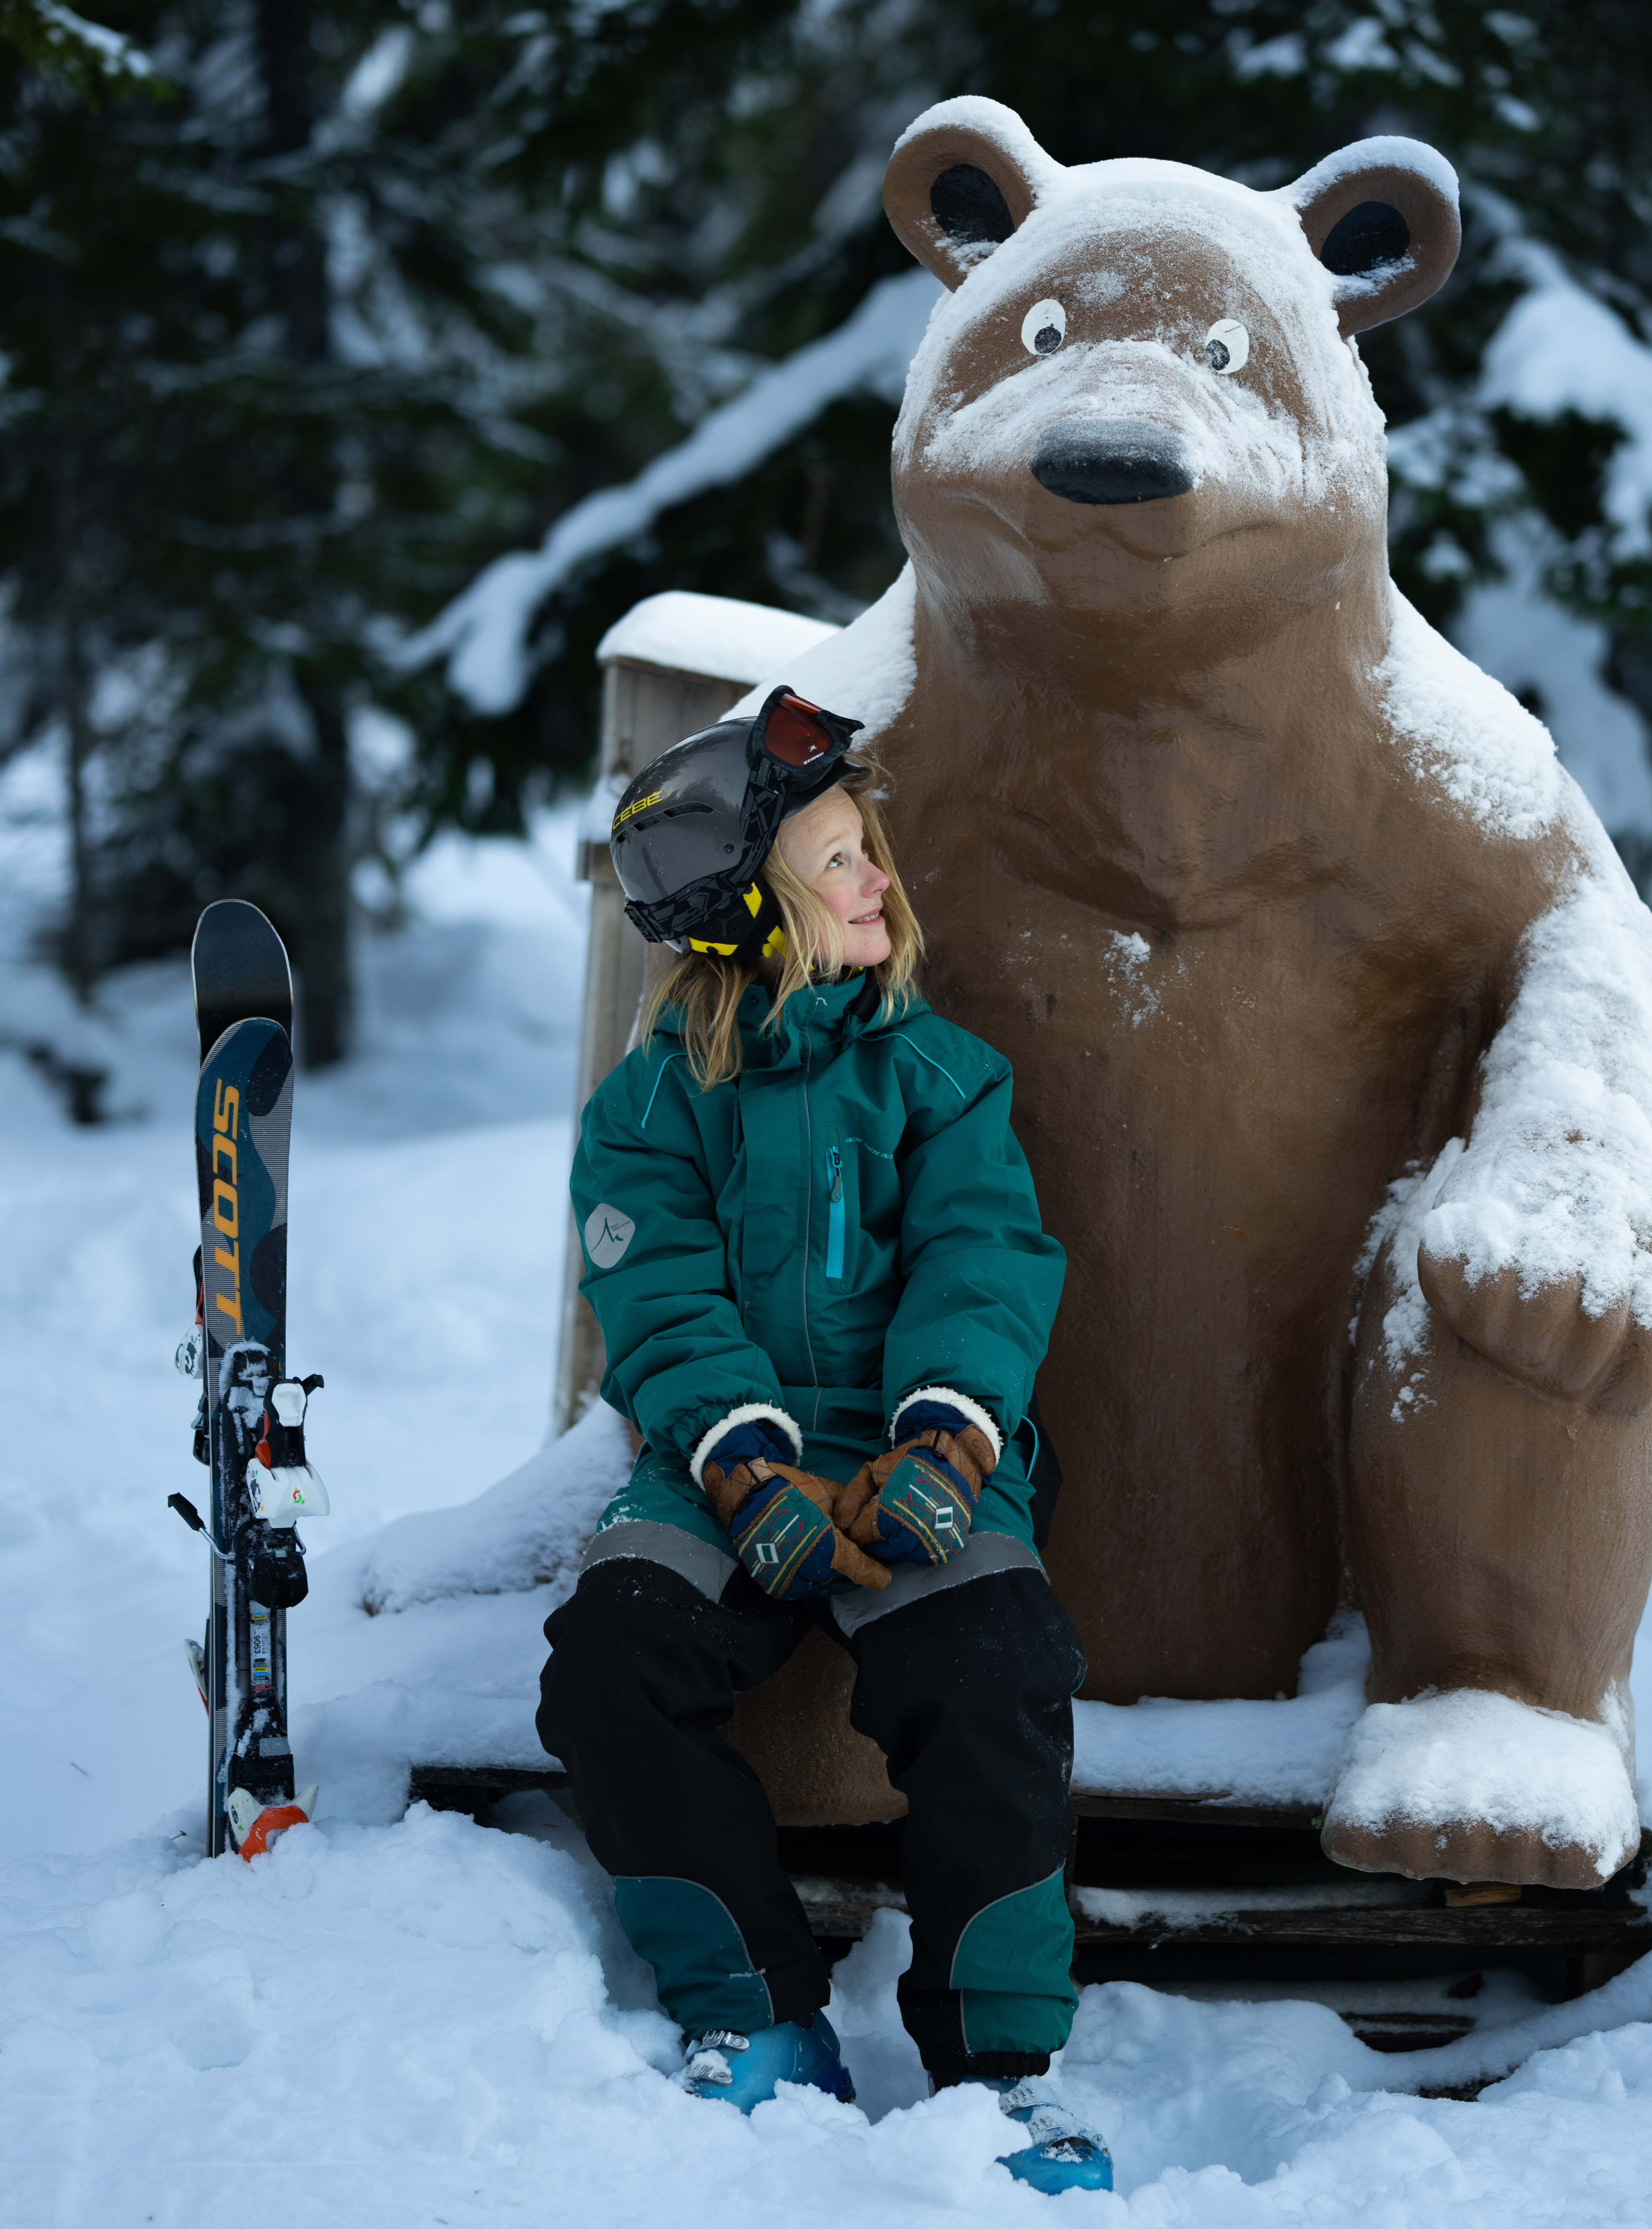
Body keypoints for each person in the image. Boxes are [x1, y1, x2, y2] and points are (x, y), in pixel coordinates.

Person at [536, 686, 1111, 2195]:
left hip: (915, 1449)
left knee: (996, 1669)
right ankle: (759, 2009)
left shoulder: (941, 1075)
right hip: (719, 1455)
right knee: (610, 1668)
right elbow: (657, 1295)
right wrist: (738, 1462)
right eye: (837, 861)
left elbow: (982, 1259)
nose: (877, 883)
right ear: (745, 915)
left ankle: (998, 2068)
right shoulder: (650, 1107)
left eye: (869, 850)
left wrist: (946, 1438)